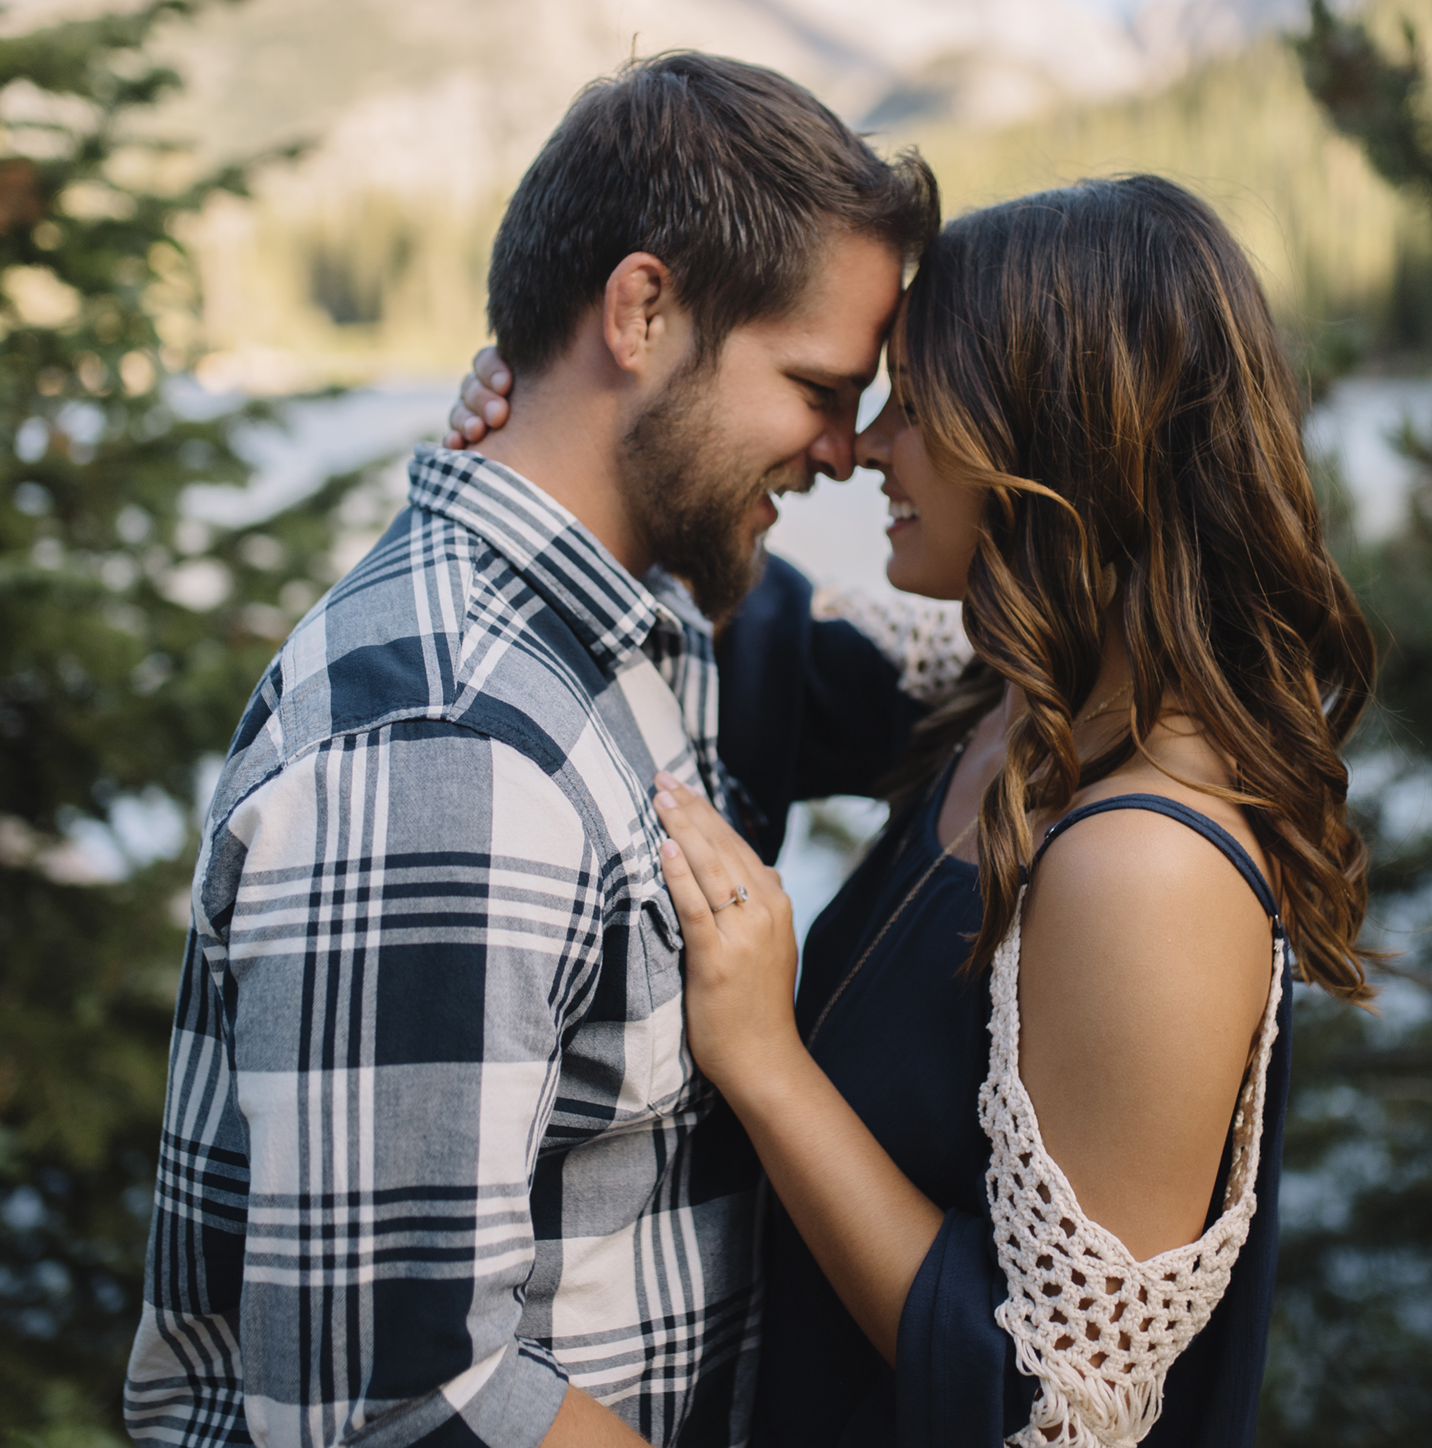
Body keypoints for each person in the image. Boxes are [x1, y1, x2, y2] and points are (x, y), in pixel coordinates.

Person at [456, 173, 1376, 1444]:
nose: (866, 448)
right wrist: (554, 429)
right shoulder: (1009, 701)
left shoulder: (1146, 867)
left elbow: (1051, 1406)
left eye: (915, 407)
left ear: (1052, 441)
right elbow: (740, 635)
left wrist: (766, 1063)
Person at [123, 51, 938, 1448]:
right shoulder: (447, 756)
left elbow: (947, 682)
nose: (845, 455)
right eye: (816, 387)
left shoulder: (667, 616)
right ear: (642, 309)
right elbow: (395, 1405)